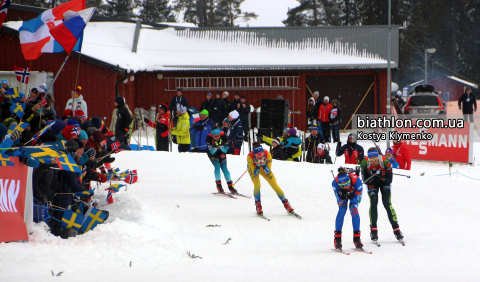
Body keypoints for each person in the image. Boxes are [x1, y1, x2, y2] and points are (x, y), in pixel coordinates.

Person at [360, 147, 404, 243]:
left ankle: (396, 229)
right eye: (371, 161)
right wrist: (372, 175)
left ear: (378, 157)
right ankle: (374, 230)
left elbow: (389, 180)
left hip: (384, 182)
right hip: (372, 183)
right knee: (373, 202)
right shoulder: (364, 162)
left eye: (375, 160)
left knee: (387, 204)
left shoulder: (385, 161)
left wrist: (380, 176)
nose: (374, 163)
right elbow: (365, 181)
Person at [248, 142, 295, 216]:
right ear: (254, 154)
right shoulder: (250, 156)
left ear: (263, 151)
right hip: (254, 169)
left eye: (261, 153)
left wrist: (263, 165)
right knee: (257, 185)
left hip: (264, 169)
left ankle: (286, 203)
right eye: (257, 154)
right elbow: (255, 173)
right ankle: (258, 205)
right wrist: (257, 166)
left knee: (275, 185)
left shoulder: (267, 154)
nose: (260, 156)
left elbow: (268, 171)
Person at [332, 167, 364, 250]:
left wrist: (351, 196)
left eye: (347, 184)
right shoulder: (335, 183)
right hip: (344, 194)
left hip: (354, 192)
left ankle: (357, 238)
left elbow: (356, 200)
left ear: (349, 181)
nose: (345, 187)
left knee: (354, 210)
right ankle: (337, 239)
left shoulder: (357, 181)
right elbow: (340, 201)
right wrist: (342, 197)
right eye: (342, 186)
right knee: (342, 211)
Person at [206, 126, 237, 194]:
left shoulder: (223, 135)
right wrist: (215, 148)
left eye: (218, 136)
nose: (217, 137)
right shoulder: (208, 137)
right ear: (212, 135)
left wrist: (221, 147)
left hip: (221, 153)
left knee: (224, 168)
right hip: (213, 155)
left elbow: (225, 150)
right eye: (215, 136)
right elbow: (212, 152)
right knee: (217, 166)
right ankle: (219, 185)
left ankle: (230, 186)